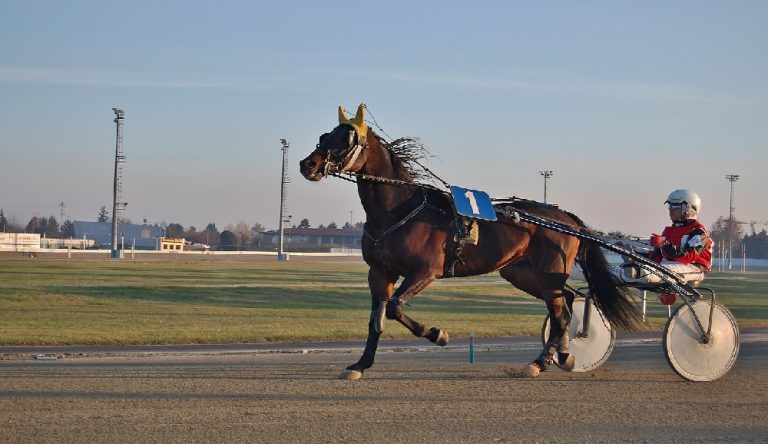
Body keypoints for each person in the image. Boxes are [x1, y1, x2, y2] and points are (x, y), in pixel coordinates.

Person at [624, 189, 713, 285]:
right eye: (670, 206)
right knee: (623, 270)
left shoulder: (698, 232)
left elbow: (688, 256)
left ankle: (638, 271)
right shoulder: (669, 231)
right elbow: (656, 257)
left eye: (675, 207)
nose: (671, 210)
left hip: (693, 267)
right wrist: (633, 254)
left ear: (689, 209)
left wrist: (665, 244)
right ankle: (622, 272)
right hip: (670, 265)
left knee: (662, 269)